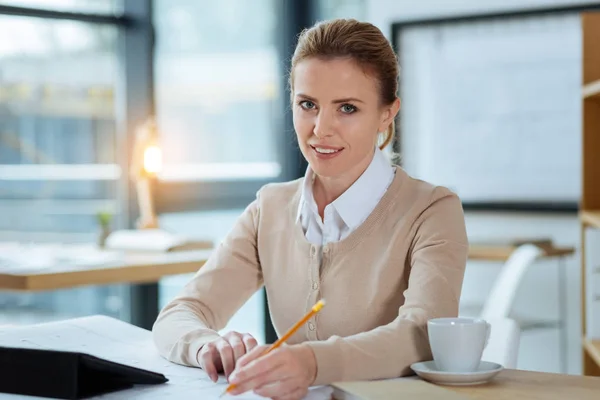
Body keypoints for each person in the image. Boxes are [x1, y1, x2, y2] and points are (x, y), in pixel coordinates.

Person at [152, 18, 468, 400]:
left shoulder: (432, 210)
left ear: (387, 113)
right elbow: (180, 313)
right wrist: (206, 346)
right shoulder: (270, 207)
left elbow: (423, 334)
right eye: (308, 105)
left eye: (347, 108)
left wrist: (311, 363)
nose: (321, 129)